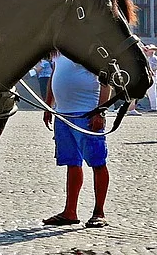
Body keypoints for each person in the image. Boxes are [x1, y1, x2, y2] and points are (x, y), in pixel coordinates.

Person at [42, 54, 110, 228]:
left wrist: (99, 111)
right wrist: (49, 104)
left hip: (86, 113)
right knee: (72, 163)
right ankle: (70, 212)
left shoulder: (90, 49)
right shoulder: (59, 50)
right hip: (63, 113)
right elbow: (53, 75)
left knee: (97, 163)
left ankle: (99, 212)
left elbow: (105, 82)